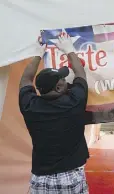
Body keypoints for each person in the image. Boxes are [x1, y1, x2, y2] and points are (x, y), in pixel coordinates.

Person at [19, 33, 89, 193]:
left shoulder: (30, 106)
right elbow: (80, 74)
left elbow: (25, 80)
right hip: (71, 177)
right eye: (63, 80)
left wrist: (37, 53)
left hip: (40, 178)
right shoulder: (74, 102)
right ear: (58, 88)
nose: (66, 81)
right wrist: (69, 49)